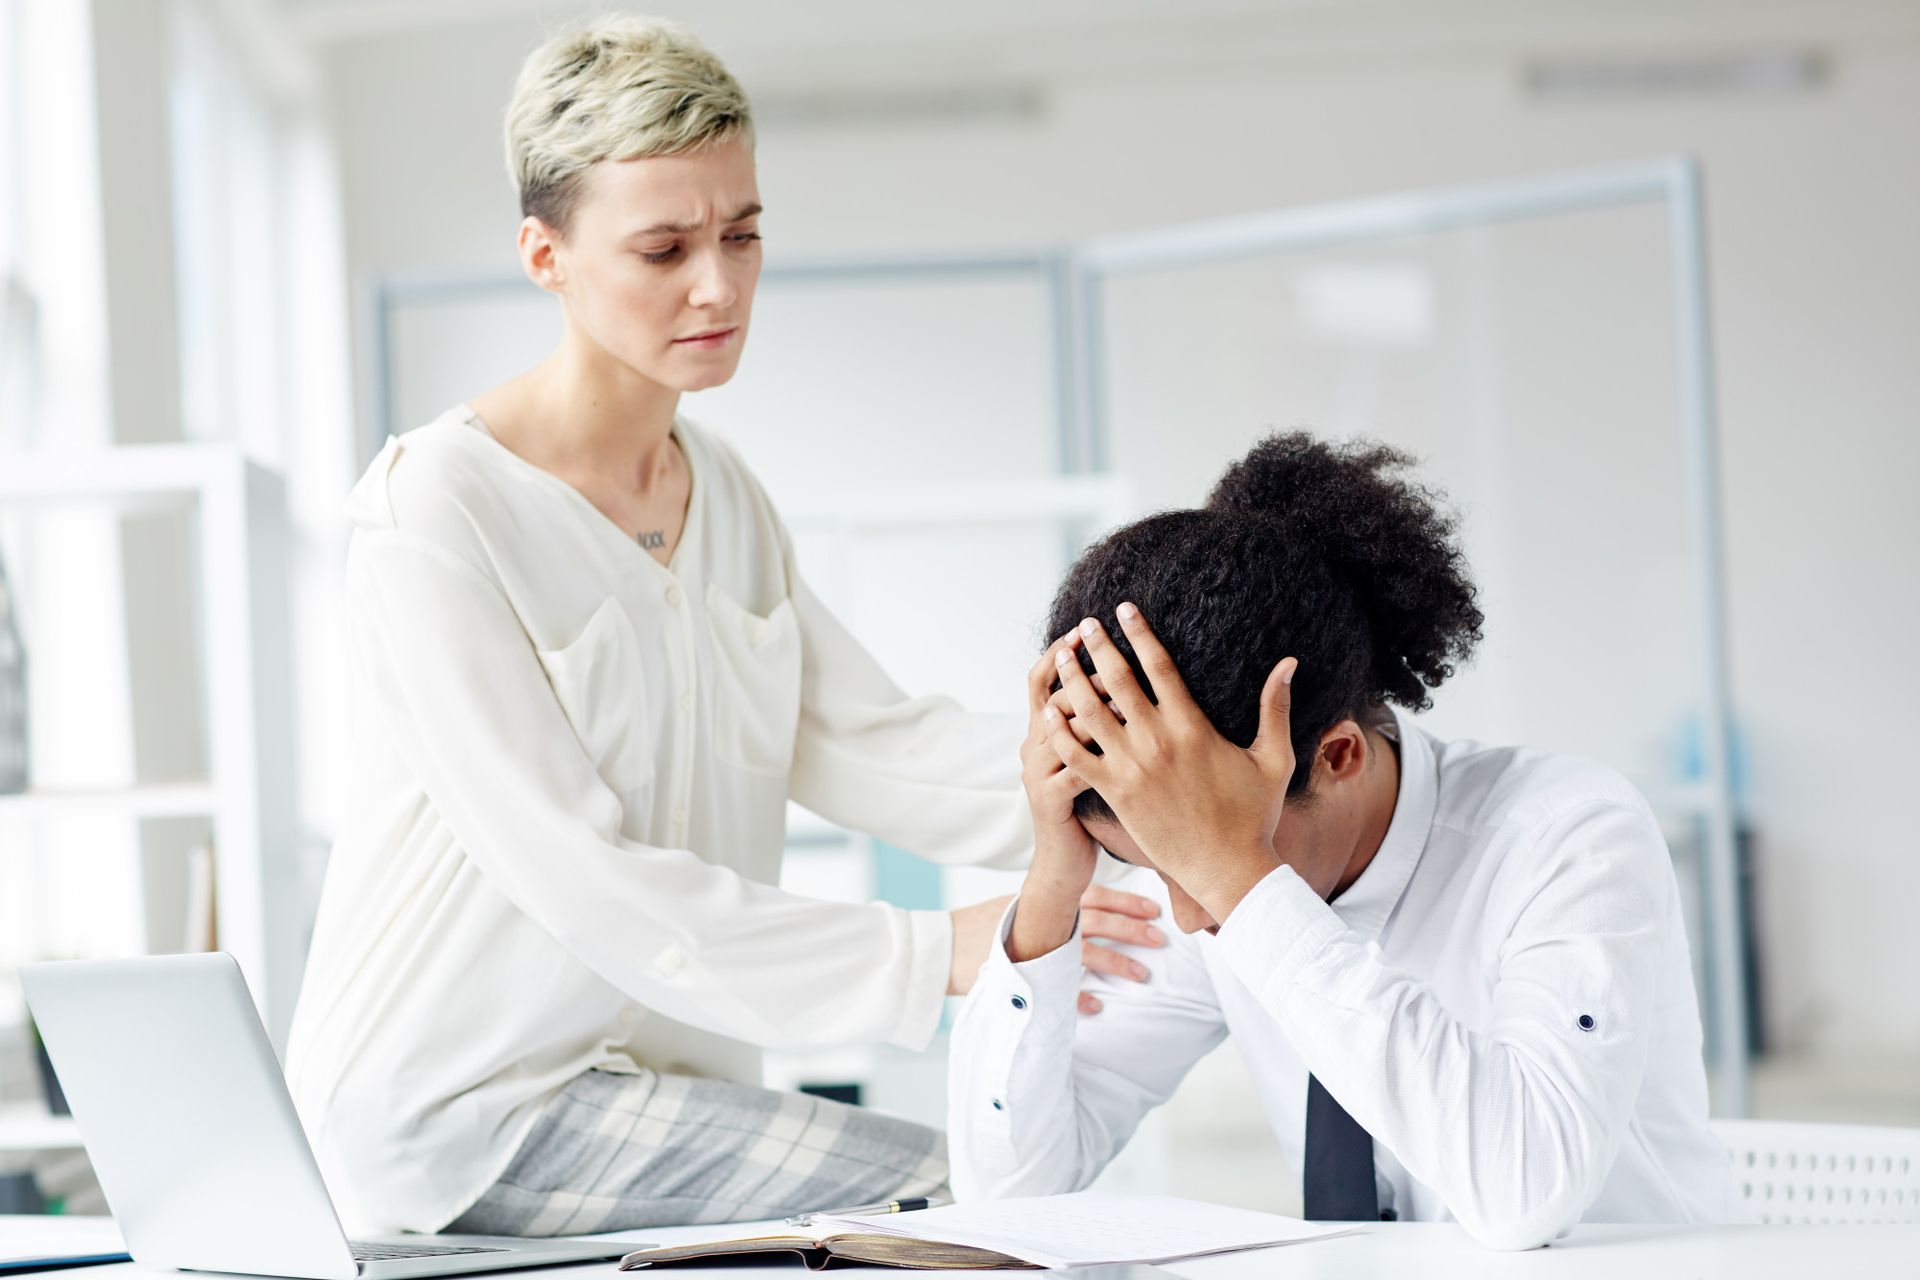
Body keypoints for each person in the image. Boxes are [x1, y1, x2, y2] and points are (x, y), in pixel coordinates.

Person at [285, 15, 1164, 1238]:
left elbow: (869, 741)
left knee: (1006, 1176)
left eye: (742, 234)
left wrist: (1134, 778)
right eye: (663, 247)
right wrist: (945, 951)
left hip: (665, 1094)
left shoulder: (722, 493)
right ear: (546, 255)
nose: (720, 283)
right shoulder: (434, 512)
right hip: (463, 1115)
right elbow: (585, 876)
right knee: (980, 1192)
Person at [946, 433, 1729, 1250]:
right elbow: (1010, 1194)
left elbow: (1523, 1188)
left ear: (1339, 754)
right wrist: (1050, 891)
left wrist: (1242, 879)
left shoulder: (1568, 835)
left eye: (1205, 851)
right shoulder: (1202, 877)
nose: (1187, 916)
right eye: (1151, 860)